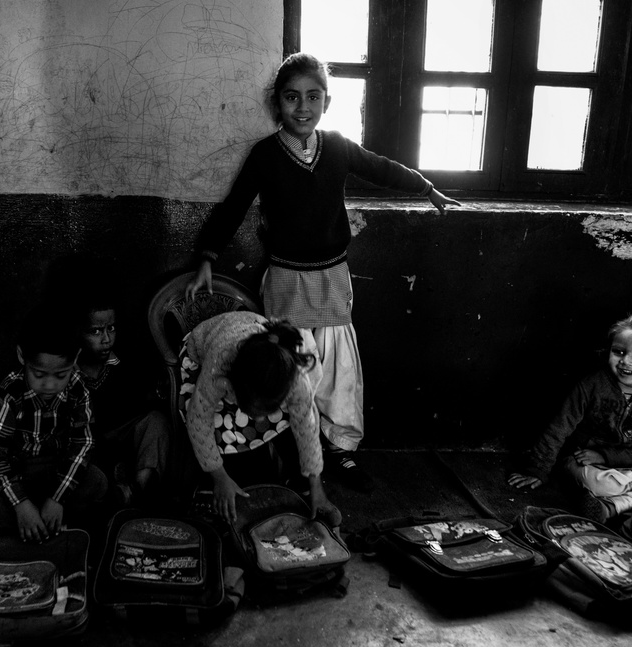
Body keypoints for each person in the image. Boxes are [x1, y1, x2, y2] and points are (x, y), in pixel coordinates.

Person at [185, 52, 461, 492]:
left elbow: (382, 168)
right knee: (285, 365)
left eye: (313, 97)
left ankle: (338, 449)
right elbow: (234, 206)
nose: (302, 107)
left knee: (336, 368)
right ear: (277, 103)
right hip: (285, 277)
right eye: (292, 97)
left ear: (326, 103)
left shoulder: (337, 146)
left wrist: (426, 187)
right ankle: (294, 451)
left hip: (332, 276)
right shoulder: (265, 155)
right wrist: (206, 256)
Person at [508, 313, 632, 522]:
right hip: (584, 460)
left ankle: (611, 506)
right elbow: (559, 427)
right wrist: (537, 469)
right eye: (619, 352)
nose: (625, 361)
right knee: (606, 485)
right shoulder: (593, 385)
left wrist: (608, 457)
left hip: (629, 465)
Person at [183, 310, 340, 525]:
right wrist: (219, 476)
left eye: (262, 413)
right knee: (219, 423)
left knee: (293, 418)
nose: (258, 420)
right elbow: (198, 418)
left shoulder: (293, 376)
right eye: (253, 412)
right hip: (203, 345)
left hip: (251, 339)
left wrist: (316, 486)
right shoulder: (218, 369)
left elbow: (307, 424)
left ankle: (300, 483)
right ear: (234, 387)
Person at [0, 309, 107, 542]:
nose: (49, 385)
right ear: (21, 356)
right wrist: (21, 505)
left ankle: (48, 517)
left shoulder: (79, 389)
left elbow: (83, 444)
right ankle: (34, 519)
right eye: (39, 374)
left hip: (58, 470)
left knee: (97, 482)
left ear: (76, 359)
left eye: (60, 375)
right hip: (20, 473)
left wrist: (57, 497)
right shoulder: (9, 394)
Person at [69, 283, 171, 507]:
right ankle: (113, 491)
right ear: (78, 332)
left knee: (156, 422)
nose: (106, 339)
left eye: (111, 329)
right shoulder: (65, 371)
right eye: (95, 331)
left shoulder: (123, 361)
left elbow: (136, 407)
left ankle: (138, 492)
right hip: (85, 441)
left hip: (120, 433)